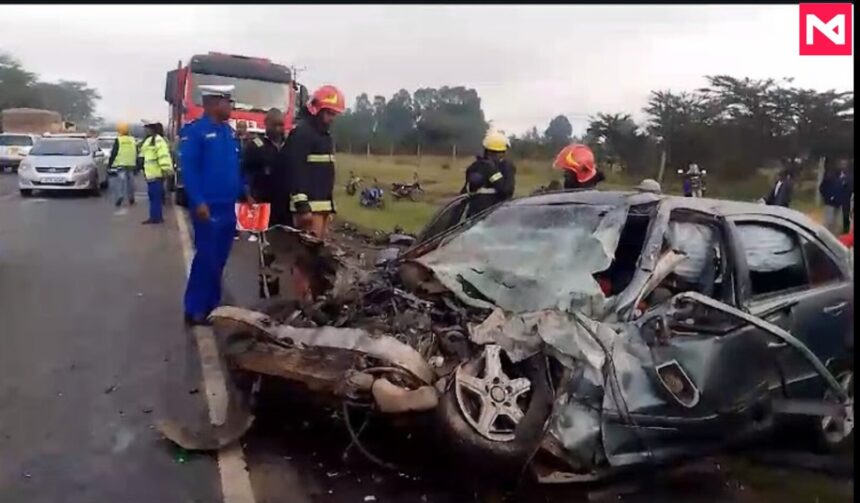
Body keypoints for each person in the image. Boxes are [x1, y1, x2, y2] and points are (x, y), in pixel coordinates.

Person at [180, 84, 246, 326]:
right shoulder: (196, 132)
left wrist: (244, 192)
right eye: (226, 102)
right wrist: (197, 200)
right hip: (208, 206)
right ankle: (194, 307)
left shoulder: (228, 133)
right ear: (211, 104)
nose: (230, 107)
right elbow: (190, 170)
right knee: (206, 257)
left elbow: (233, 168)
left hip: (228, 206)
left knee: (219, 258)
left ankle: (212, 304)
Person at [288, 84, 345, 239]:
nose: (331, 118)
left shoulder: (324, 136)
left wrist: (330, 208)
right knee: (305, 256)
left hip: (321, 207)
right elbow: (295, 170)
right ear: (316, 109)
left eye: (334, 114)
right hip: (308, 209)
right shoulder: (302, 133)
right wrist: (302, 206)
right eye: (328, 113)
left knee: (316, 254)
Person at [242, 108, 291, 227]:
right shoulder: (255, 146)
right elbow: (245, 172)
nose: (278, 129)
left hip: (286, 204)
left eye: (280, 125)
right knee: (263, 237)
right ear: (266, 123)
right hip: (262, 201)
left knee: (285, 239)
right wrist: (247, 195)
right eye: (274, 125)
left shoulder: (290, 145)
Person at [458, 130, 516, 219]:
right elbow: (506, 191)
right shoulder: (498, 167)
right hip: (492, 215)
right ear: (501, 152)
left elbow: (465, 192)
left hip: (473, 214)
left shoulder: (475, 166)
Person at [139, 119, 174, 224]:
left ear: (152, 129)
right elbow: (143, 154)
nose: (146, 130)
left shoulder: (159, 140)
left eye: (147, 128)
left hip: (157, 173)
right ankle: (154, 217)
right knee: (153, 196)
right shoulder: (149, 141)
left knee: (155, 197)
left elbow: (163, 156)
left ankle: (156, 218)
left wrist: (166, 169)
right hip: (150, 174)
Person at [106, 122, 138, 208]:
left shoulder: (119, 140)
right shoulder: (133, 140)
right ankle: (131, 198)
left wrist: (109, 164)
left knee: (121, 181)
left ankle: (120, 196)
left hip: (121, 164)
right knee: (131, 182)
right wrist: (138, 165)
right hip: (131, 164)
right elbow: (137, 152)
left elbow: (114, 153)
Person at [820, 159, 853, 235]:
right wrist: (829, 197)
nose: (843, 166)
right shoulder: (831, 176)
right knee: (829, 222)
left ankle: (834, 238)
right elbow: (822, 188)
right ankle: (824, 236)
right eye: (842, 164)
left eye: (845, 165)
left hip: (841, 204)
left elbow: (849, 190)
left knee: (838, 223)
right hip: (830, 203)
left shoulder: (849, 178)